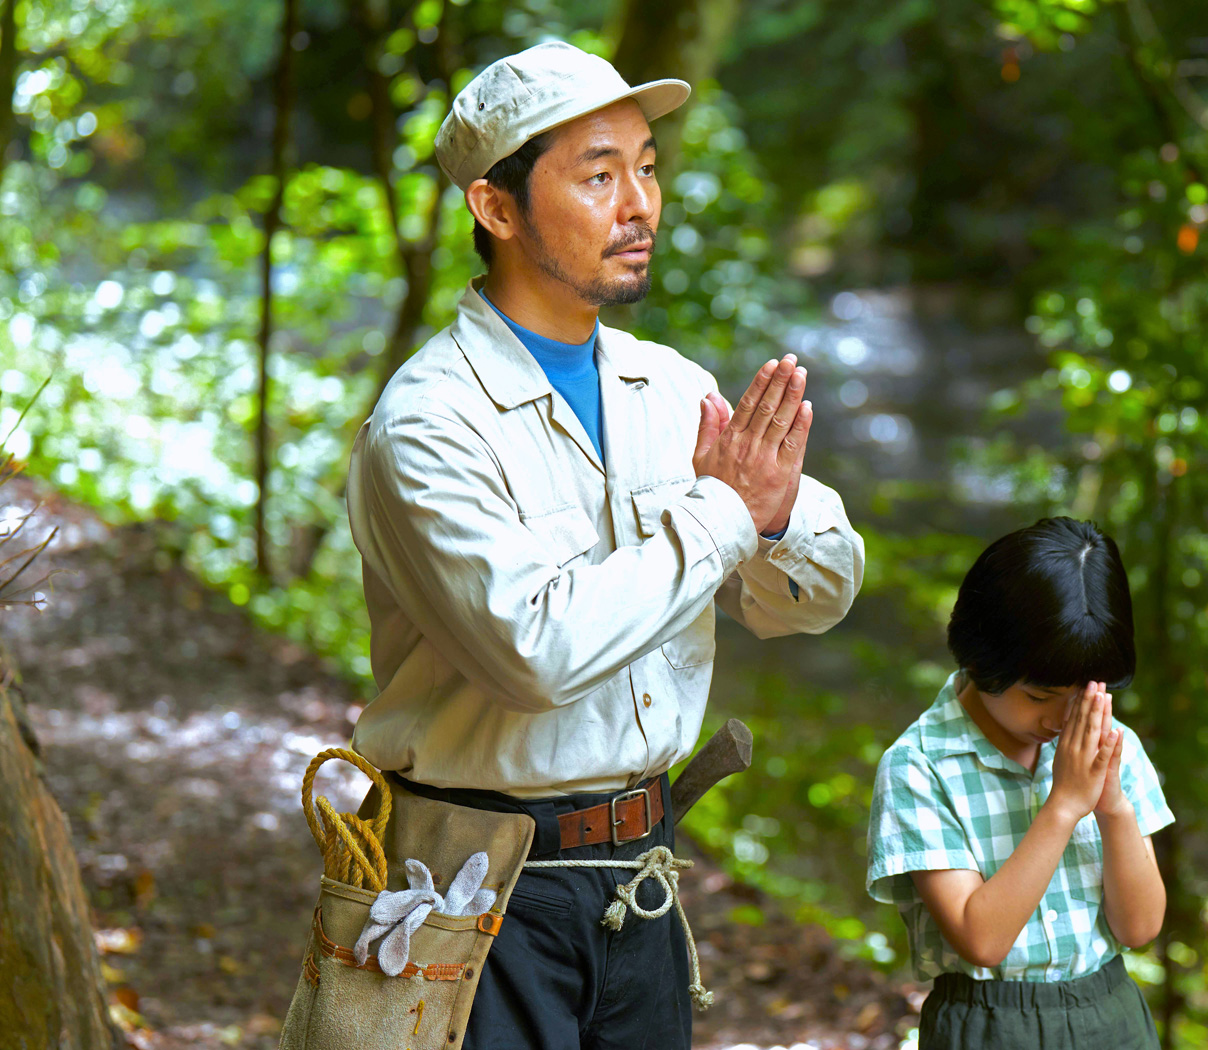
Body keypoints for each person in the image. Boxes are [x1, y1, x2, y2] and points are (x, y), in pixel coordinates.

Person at [343, 41, 865, 1050]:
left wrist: (768, 514)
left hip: (643, 881)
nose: (639, 204)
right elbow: (535, 655)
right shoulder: (428, 425)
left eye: (646, 166)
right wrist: (721, 514)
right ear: (496, 209)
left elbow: (815, 594)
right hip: (475, 890)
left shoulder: (666, 389)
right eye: (596, 175)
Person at [866, 517, 1171, 1050]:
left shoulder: (1110, 743)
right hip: (989, 1024)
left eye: (1082, 695)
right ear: (983, 657)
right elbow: (981, 939)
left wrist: (1114, 808)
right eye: (1039, 696)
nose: (1061, 718)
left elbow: (1140, 927)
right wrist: (1063, 807)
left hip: (1113, 1015)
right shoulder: (920, 765)